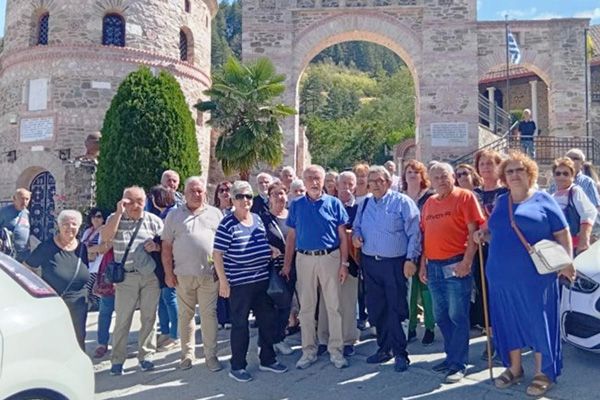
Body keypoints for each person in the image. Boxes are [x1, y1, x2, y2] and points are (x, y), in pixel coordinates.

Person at [474, 151, 575, 397]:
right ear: (504, 177)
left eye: (519, 169)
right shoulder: (501, 202)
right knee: (508, 321)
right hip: (500, 276)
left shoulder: (543, 200)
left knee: (538, 321)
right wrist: (483, 235)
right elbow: (497, 232)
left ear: (529, 173)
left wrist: (567, 262)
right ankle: (514, 367)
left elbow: (562, 232)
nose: (515, 174)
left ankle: (543, 372)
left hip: (536, 277)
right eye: (509, 171)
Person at [214, 180, 287, 382]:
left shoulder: (256, 219)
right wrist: (223, 282)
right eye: (240, 196)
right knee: (240, 325)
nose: (245, 200)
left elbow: (261, 242)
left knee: (267, 321)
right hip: (239, 283)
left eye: (248, 196)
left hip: (262, 280)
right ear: (232, 199)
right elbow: (217, 254)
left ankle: (267, 359)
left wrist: (269, 250)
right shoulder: (227, 224)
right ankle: (237, 366)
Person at [419, 162, 485, 384]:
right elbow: (425, 236)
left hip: (456, 263)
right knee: (441, 315)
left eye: (444, 176)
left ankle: (459, 363)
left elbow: (473, 231)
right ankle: (450, 357)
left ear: (452, 177)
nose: (440, 181)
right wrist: (422, 265)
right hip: (433, 266)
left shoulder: (465, 197)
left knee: (458, 316)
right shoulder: (429, 203)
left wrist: (467, 261)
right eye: (436, 177)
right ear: (430, 181)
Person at [353, 166, 421, 373]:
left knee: (396, 309)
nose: (374, 185)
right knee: (377, 308)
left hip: (395, 264)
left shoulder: (402, 202)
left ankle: (401, 353)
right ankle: (384, 349)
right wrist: (356, 236)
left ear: (388, 182)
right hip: (370, 263)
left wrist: (411, 259)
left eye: (379, 180)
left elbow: (415, 233)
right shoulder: (365, 204)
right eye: (371, 181)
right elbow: (356, 226)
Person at [283, 165, 350, 370]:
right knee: (306, 308)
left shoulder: (334, 203)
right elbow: (291, 237)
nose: (314, 182)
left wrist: (344, 263)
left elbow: (343, 236)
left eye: (317, 178)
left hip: (330, 257)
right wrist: (287, 264)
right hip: (304, 259)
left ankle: (336, 351)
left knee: (334, 307)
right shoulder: (296, 205)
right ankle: (308, 351)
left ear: (323, 181)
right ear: (304, 181)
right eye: (310, 178)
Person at [162, 177, 223, 371]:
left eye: (200, 191)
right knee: (185, 316)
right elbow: (166, 247)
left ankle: (211, 355)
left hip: (209, 275)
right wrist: (168, 274)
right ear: (185, 193)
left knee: (209, 315)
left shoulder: (215, 214)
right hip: (183, 275)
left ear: (205, 193)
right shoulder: (173, 216)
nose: (196, 195)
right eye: (192, 191)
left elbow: (223, 245)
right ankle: (187, 355)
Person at [102, 186, 164, 376]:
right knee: (123, 319)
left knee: (149, 317)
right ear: (123, 201)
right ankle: (117, 359)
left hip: (149, 276)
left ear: (145, 202)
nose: (136, 205)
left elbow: (165, 245)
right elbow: (105, 238)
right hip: (126, 277)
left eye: (140, 201)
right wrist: (118, 213)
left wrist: (156, 247)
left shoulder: (154, 221)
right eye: (131, 201)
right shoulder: (115, 219)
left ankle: (146, 355)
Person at [25, 210, 89, 350]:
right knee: (55, 339)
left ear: (79, 227)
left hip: (79, 303)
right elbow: (27, 268)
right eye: (65, 224)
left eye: (74, 224)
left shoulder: (82, 248)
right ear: (58, 226)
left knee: (78, 339)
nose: (70, 227)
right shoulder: (47, 247)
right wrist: (38, 289)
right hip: (54, 303)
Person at [317, 171, 360, 358]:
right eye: (343, 183)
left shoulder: (359, 208)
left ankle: (348, 340)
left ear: (355, 187)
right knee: (326, 301)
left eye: (350, 184)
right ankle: (324, 339)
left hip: (351, 262)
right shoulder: (327, 205)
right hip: (328, 259)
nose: (346, 188)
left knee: (348, 302)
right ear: (336, 185)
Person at [471, 150, 508, 355]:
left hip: (502, 249)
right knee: (486, 294)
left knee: (502, 294)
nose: (485, 167)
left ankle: (507, 339)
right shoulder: (474, 194)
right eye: (482, 164)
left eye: (490, 163)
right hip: (481, 250)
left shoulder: (506, 192)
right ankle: (491, 338)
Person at [259, 182, 296, 356]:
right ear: (269, 197)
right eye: (275, 194)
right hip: (271, 267)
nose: (279, 197)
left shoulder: (292, 217)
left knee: (285, 304)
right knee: (269, 306)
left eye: (282, 193)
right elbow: (256, 240)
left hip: (292, 266)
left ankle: (279, 337)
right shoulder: (262, 219)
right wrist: (268, 248)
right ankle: (267, 341)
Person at [402, 160, 435, 346]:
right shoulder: (400, 197)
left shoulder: (430, 197)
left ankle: (430, 327)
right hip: (406, 249)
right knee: (410, 291)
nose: (412, 175)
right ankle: (411, 326)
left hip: (426, 247)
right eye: (409, 172)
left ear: (422, 176)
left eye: (416, 172)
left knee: (426, 289)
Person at [148, 185, 179, 351]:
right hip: (160, 264)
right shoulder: (162, 215)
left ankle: (175, 335)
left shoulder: (171, 216)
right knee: (163, 299)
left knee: (170, 298)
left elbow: (172, 243)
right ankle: (166, 331)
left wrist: (156, 247)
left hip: (170, 263)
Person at [551, 157, 597, 255]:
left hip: (575, 247)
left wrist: (584, 241)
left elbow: (589, 213)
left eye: (565, 174)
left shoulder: (575, 192)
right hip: (559, 248)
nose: (561, 177)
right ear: (554, 176)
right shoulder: (553, 197)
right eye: (558, 173)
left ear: (572, 176)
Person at [213, 180, 233, 328]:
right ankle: (221, 318)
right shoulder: (212, 212)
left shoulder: (236, 211)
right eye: (222, 190)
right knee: (219, 283)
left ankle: (231, 317)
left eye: (228, 190)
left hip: (232, 254)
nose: (225, 193)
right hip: (216, 252)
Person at [81, 208, 106, 311]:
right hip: (88, 265)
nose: (95, 219)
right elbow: (81, 246)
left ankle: (99, 309)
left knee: (94, 290)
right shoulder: (88, 231)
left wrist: (88, 249)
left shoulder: (104, 231)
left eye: (98, 216)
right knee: (87, 290)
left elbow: (102, 248)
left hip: (99, 266)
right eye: (93, 216)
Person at [0, 188, 32, 261]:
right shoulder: (4, 212)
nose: (24, 202)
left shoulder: (27, 213)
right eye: (22, 198)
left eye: (27, 199)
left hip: (23, 254)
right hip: (8, 254)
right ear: (14, 199)